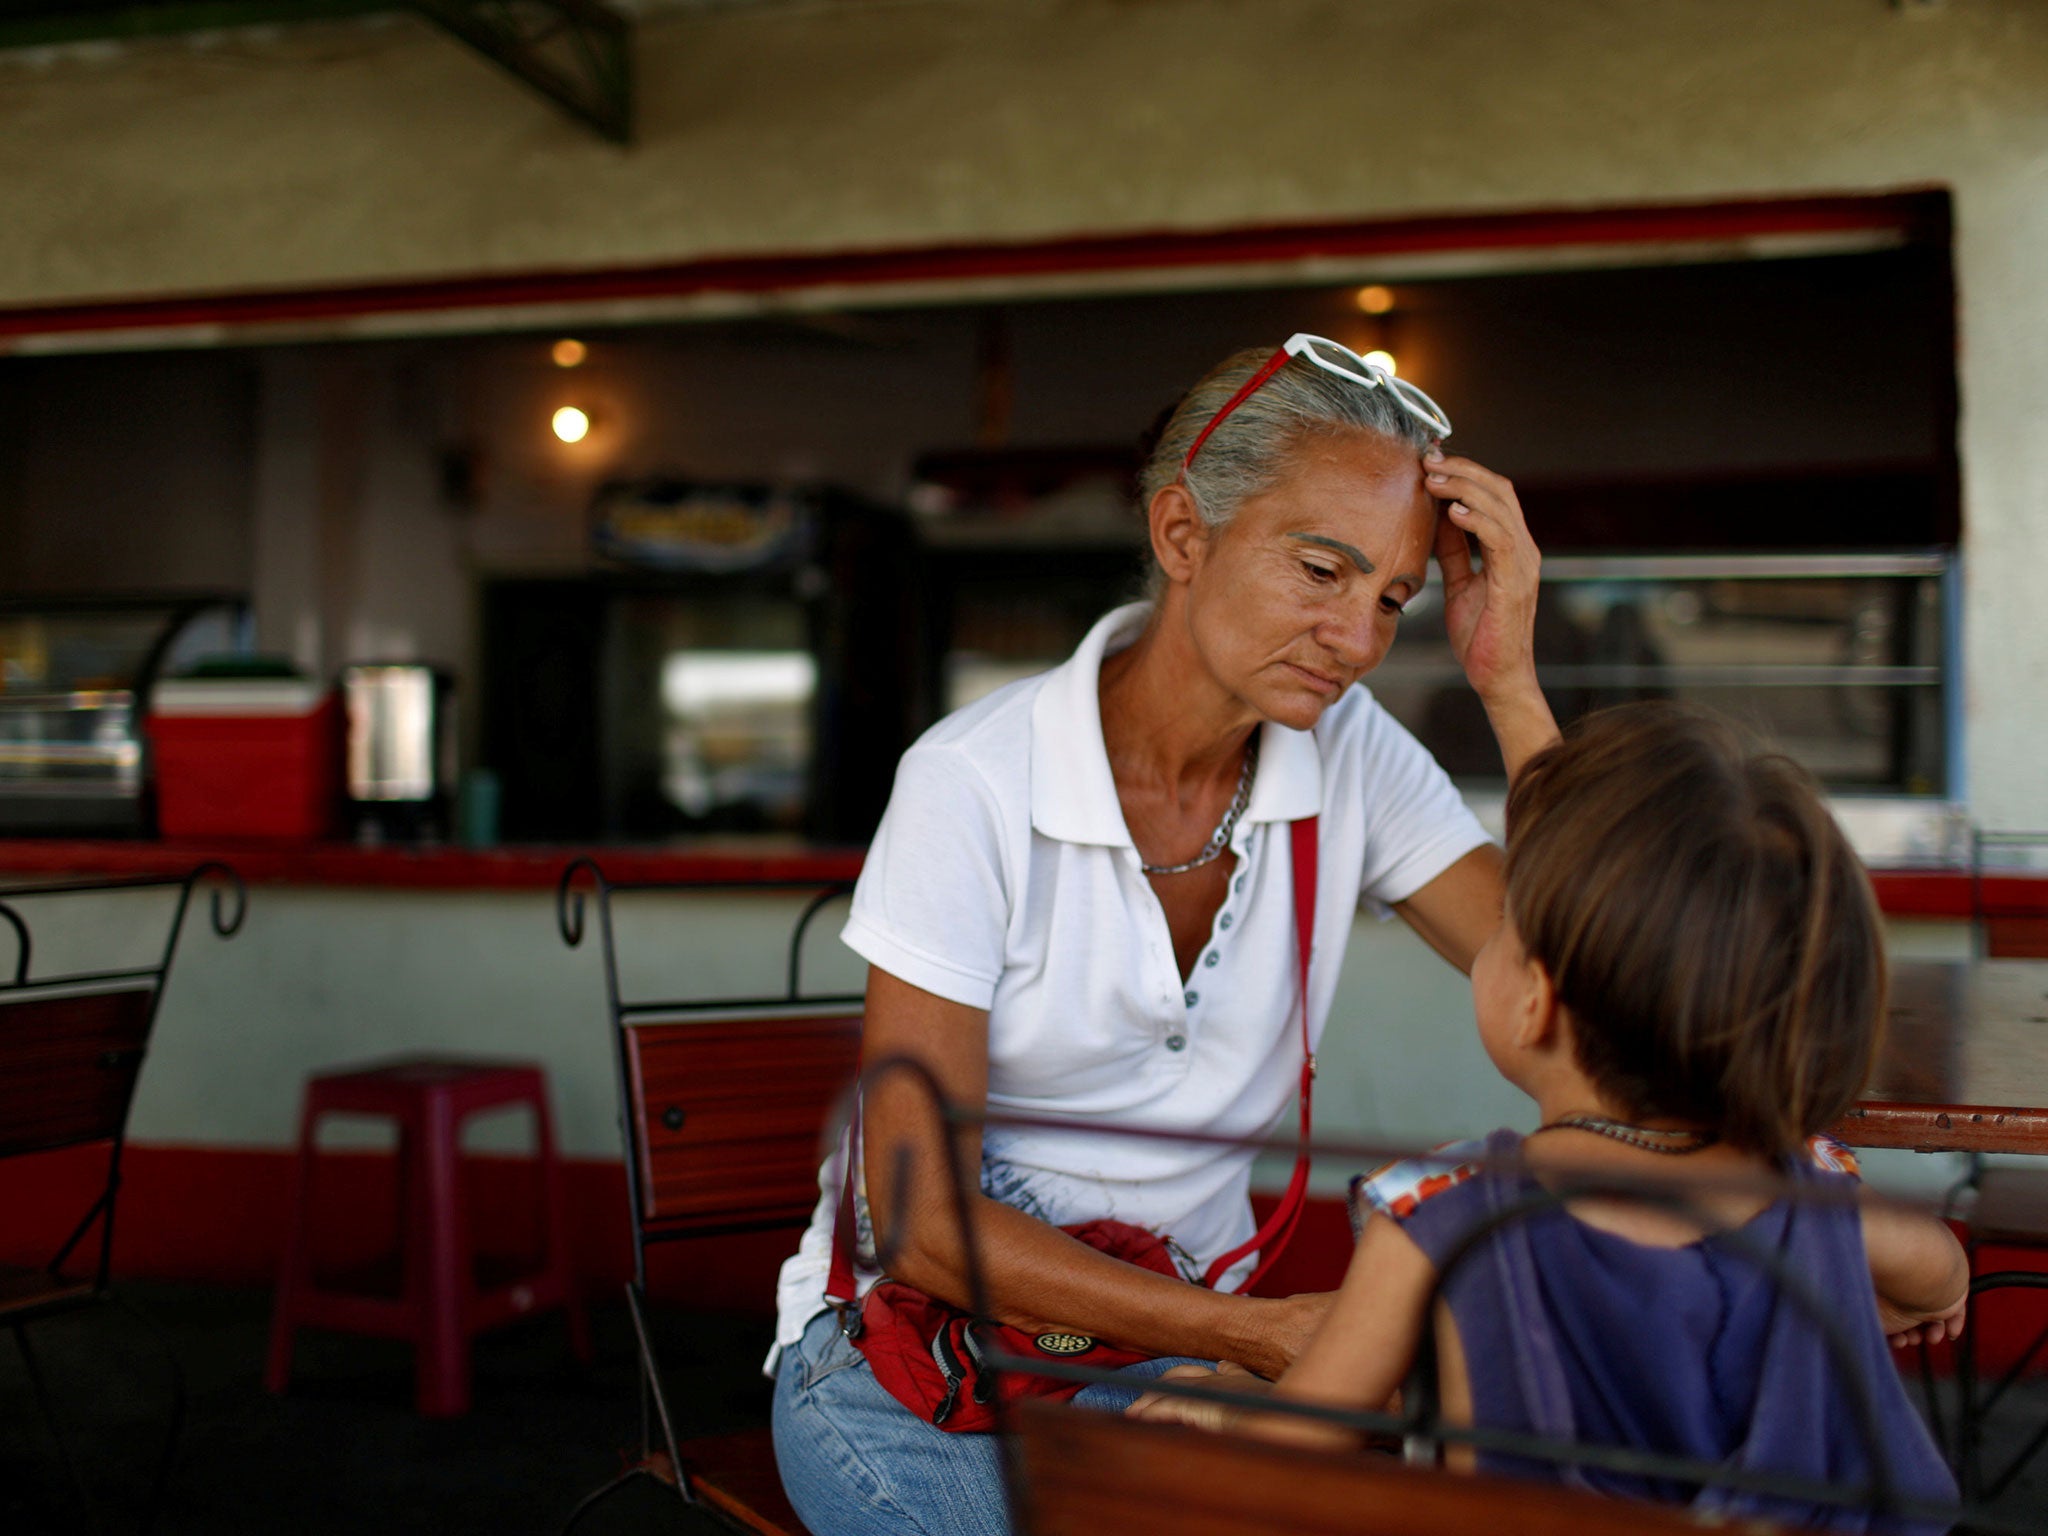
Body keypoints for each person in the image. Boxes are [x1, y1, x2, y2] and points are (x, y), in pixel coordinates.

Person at [769, 333, 1561, 1536]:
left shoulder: (1351, 759)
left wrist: (1508, 685)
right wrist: (1254, 1335)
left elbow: (1573, 982)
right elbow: (919, 1222)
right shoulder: (974, 783)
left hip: (1172, 1355)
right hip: (915, 1364)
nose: (1356, 639)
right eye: (1319, 570)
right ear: (1183, 534)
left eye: (1390, 598)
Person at [1130, 702, 1966, 1533]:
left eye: (1503, 930)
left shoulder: (1446, 1208)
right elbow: (1940, 1276)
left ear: (1536, 1002)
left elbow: (1308, 1437)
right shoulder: (1809, 1186)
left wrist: (1233, 1404)